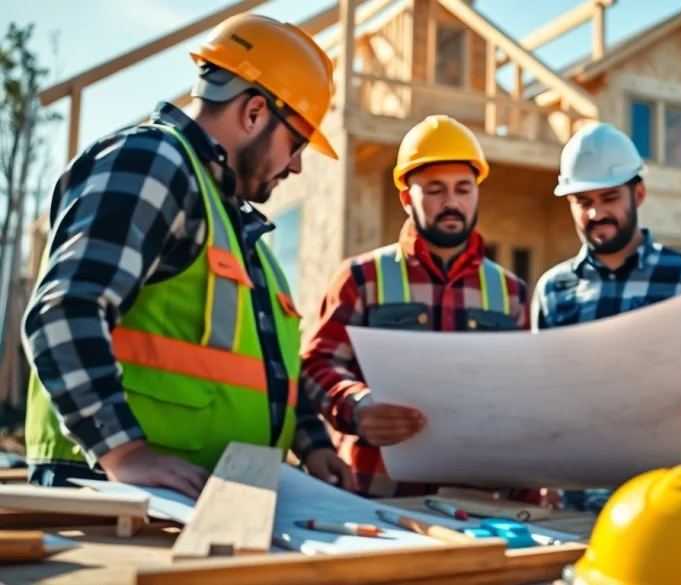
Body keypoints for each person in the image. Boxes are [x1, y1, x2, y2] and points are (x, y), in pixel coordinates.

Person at [21, 14, 346, 499]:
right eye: (296, 143)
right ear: (254, 112)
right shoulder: (152, 160)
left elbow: (268, 371)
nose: (297, 165)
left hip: (194, 498)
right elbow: (63, 311)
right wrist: (122, 451)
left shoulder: (235, 225)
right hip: (112, 493)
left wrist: (314, 444)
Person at [301, 115, 540, 503]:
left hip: (476, 502)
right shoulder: (361, 278)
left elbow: (526, 397)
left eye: (463, 189)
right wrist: (358, 406)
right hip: (374, 496)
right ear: (405, 197)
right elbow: (316, 364)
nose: (451, 202)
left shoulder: (511, 293)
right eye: (434, 189)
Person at [531, 122, 681, 512]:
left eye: (609, 197)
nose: (597, 212)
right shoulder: (553, 290)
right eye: (583, 201)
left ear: (640, 193)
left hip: (670, 499)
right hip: (575, 502)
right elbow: (543, 398)